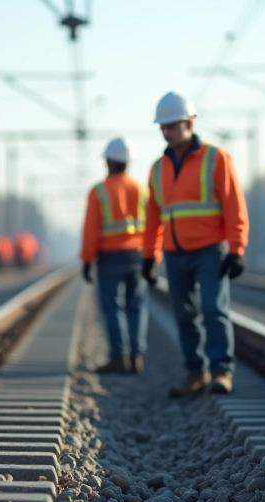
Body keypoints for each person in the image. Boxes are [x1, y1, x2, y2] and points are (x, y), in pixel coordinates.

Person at [141, 92, 249, 396]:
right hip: (175, 255)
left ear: (189, 123)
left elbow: (234, 206)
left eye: (172, 126)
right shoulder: (157, 169)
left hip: (209, 251)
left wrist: (236, 249)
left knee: (214, 309)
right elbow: (153, 218)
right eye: (162, 127)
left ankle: (221, 372)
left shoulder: (216, 159)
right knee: (184, 314)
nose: (166, 132)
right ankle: (195, 372)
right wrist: (149, 256)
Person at [81, 137, 149, 374]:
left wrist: (87, 259)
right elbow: (153, 224)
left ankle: (119, 358)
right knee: (136, 307)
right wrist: (152, 255)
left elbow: (91, 230)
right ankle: (136, 356)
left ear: (108, 162)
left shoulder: (99, 191)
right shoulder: (141, 190)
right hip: (138, 256)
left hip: (110, 257)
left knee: (112, 308)